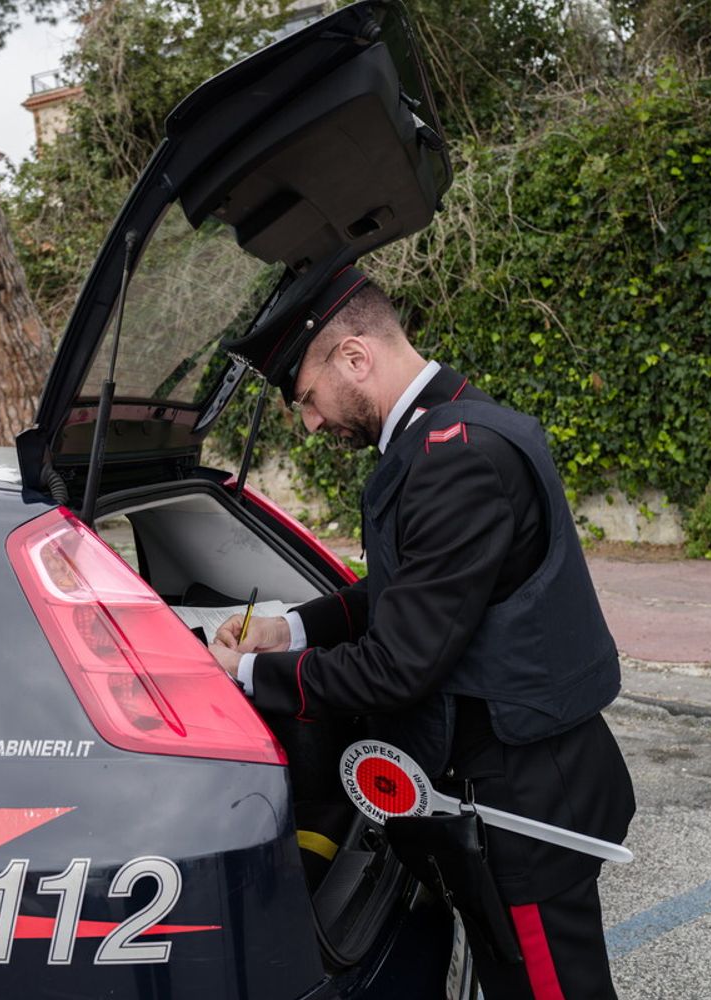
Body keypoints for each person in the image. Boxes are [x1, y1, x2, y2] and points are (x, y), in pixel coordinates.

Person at [208, 266, 636, 1000]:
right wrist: (289, 629)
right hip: (511, 781)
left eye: (306, 398)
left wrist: (247, 679)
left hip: (523, 799)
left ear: (354, 357)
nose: (310, 422)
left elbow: (398, 664)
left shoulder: (455, 456)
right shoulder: (447, 426)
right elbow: (403, 591)